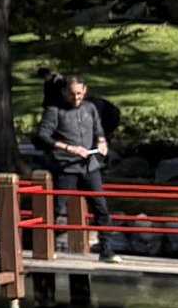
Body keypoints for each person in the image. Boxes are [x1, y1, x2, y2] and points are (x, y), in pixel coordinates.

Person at [33, 72, 120, 260]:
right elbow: (43, 135)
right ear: (64, 92)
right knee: (56, 208)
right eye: (72, 94)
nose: (76, 98)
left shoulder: (90, 108)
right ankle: (44, 246)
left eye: (80, 94)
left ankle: (106, 249)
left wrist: (102, 142)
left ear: (85, 90)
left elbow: (98, 129)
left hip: (90, 166)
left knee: (101, 208)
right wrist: (69, 148)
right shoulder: (54, 110)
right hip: (66, 167)